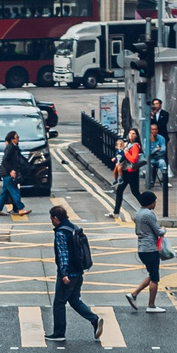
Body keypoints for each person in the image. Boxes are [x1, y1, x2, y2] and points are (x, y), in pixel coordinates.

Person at [47, 203, 102, 342]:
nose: (51, 222)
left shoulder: (61, 232)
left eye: (51, 219)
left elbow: (63, 254)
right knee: (74, 300)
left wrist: (64, 273)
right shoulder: (74, 228)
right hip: (78, 272)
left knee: (59, 303)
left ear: (55, 218)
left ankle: (59, 332)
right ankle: (94, 319)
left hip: (68, 274)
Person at [126, 190, 166, 314]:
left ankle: (134, 294)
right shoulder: (149, 214)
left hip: (142, 248)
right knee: (155, 278)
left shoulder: (138, 214)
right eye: (154, 201)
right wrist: (164, 230)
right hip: (150, 249)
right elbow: (158, 232)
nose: (155, 203)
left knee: (152, 274)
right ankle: (151, 305)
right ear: (150, 203)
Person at [0, 132, 32, 218]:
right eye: (16, 137)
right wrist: (11, 171)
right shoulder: (10, 148)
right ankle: (21, 209)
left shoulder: (14, 147)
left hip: (8, 173)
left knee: (5, 192)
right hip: (9, 174)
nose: (18, 139)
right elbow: (5, 161)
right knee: (15, 190)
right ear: (12, 139)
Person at [110, 134, 141, 217]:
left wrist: (126, 153)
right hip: (125, 172)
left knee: (135, 192)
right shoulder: (128, 145)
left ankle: (148, 208)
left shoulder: (135, 146)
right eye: (130, 133)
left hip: (132, 172)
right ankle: (116, 212)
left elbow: (133, 160)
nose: (131, 135)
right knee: (119, 191)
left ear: (136, 136)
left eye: (133, 133)